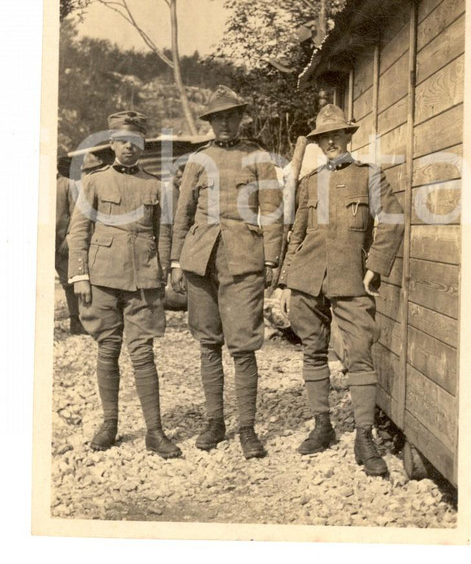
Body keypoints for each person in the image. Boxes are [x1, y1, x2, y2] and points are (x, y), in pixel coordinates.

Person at [279, 104, 404, 476]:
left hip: (351, 279)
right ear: (317, 142)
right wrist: (287, 281)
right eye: (323, 137)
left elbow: (393, 221)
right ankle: (323, 426)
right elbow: (296, 234)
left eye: (337, 135)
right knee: (313, 351)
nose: (330, 141)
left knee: (360, 354)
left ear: (349, 137)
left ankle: (364, 437)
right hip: (307, 279)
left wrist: (375, 268)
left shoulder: (369, 176)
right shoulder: (308, 182)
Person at [171, 86, 283, 459]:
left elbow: (272, 211)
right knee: (207, 343)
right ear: (210, 122)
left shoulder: (258, 157)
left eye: (231, 116)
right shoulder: (198, 160)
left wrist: (270, 260)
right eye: (218, 117)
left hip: (244, 262)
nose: (225, 123)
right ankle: (214, 421)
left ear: (241, 118)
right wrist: (175, 261)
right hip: (200, 262)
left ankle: (247, 428)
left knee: (243, 347)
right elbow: (183, 214)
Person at [67, 110, 182, 459]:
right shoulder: (94, 181)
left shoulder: (155, 185)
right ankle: (110, 424)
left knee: (143, 353)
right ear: (112, 144)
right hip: (101, 278)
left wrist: (163, 272)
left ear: (143, 145)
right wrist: (80, 275)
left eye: (135, 142)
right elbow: (79, 231)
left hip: (143, 278)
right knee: (107, 349)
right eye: (122, 141)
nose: (128, 148)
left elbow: (164, 232)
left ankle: (155, 430)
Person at [55, 153, 105, 335]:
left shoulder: (67, 184)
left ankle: (79, 320)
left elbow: (75, 212)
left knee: (71, 282)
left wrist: (69, 238)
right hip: (45, 244)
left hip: (63, 244)